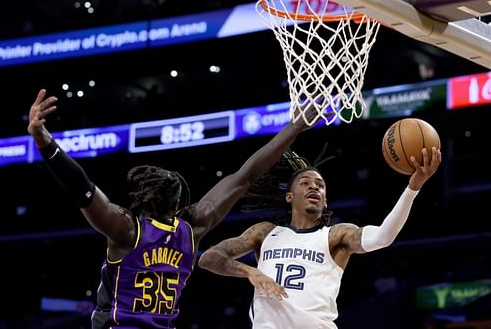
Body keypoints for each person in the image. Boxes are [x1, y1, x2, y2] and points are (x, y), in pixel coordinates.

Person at [27, 89, 317, 329]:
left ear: (142, 198)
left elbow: (82, 187)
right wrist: (295, 126)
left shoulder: (127, 230)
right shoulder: (192, 230)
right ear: (179, 205)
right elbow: (246, 175)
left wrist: (44, 141)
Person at [198, 146, 442, 329]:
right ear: (290, 196)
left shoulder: (336, 236)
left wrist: (413, 187)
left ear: (325, 200)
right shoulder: (264, 232)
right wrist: (251, 272)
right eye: (305, 183)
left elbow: (383, 237)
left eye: (320, 185)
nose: (314, 187)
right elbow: (209, 258)